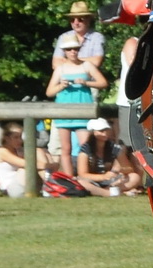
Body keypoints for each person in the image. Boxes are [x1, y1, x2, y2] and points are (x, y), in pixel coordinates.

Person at [46, 32, 108, 174]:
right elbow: (49, 92)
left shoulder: (87, 66)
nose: (73, 52)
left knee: (85, 148)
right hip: (64, 112)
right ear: (64, 51)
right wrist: (61, 85)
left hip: (83, 112)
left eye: (75, 48)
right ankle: (70, 179)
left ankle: (87, 176)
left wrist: (86, 82)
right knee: (65, 149)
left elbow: (103, 82)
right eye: (69, 49)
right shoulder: (60, 69)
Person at [0, 121, 42, 198]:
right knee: (24, 169)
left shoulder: (18, 150)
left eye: (20, 137)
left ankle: (49, 188)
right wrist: (49, 165)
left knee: (39, 151)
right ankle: (48, 187)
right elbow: (28, 164)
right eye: (16, 137)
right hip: (10, 187)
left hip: (22, 183)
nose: (20, 141)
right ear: (6, 138)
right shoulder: (1, 151)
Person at [53, 1, 107, 70]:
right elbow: (55, 64)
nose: (76, 23)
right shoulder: (63, 37)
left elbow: (96, 62)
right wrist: (86, 61)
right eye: (72, 20)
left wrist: (70, 61)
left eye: (80, 19)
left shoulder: (97, 37)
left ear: (88, 20)